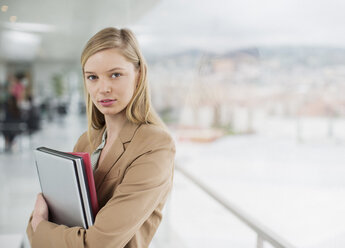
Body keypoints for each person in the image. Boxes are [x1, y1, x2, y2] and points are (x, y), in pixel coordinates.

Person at [26, 27, 175, 248]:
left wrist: (39, 228)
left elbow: (97, 243)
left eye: (115, 74)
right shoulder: (86, 141)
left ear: (139, 75)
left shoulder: (155, 146)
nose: (103, 88)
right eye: (92, 77)